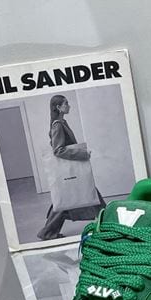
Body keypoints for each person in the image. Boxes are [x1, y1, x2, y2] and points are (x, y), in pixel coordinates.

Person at [37, 95, 105, 240]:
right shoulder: (58, 125)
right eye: (66, 103)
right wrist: (82, 154)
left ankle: (48, 232)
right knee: (75, 198)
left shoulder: (62, 122)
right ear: (58, 107)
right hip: (71, 169)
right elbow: (58, 150)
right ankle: (106, 223)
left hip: (71, 170)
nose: (69, 106)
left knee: (67, 199)